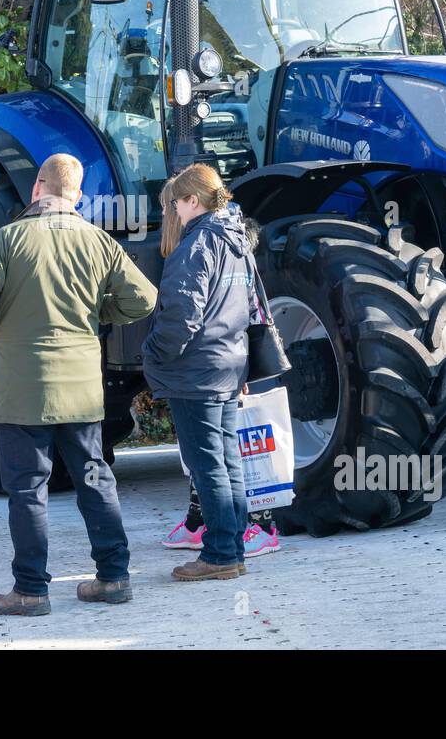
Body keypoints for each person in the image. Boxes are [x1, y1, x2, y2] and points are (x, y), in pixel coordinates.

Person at [0, 153, 157, 616]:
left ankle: (30, 590)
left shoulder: (8, 240)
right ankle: (113, 577)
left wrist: (0, 324)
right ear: (78, 195)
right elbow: (144, 299)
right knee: (95, 479)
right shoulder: (99, 241)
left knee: (29, 489)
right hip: (84, 393)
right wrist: (98, 314)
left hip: (22, 392)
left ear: (37, 189)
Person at [143, 164, 261, 581]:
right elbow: (249, 307)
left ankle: (219, 556)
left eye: (176, 201)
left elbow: (181, 315)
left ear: (193, 201)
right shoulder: (236, 241)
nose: (173, 209)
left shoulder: (196, 246)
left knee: (207, 465)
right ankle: (232, 549)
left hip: (197, 373)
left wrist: (153, 353)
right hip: (229, 365)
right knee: (228, 464)